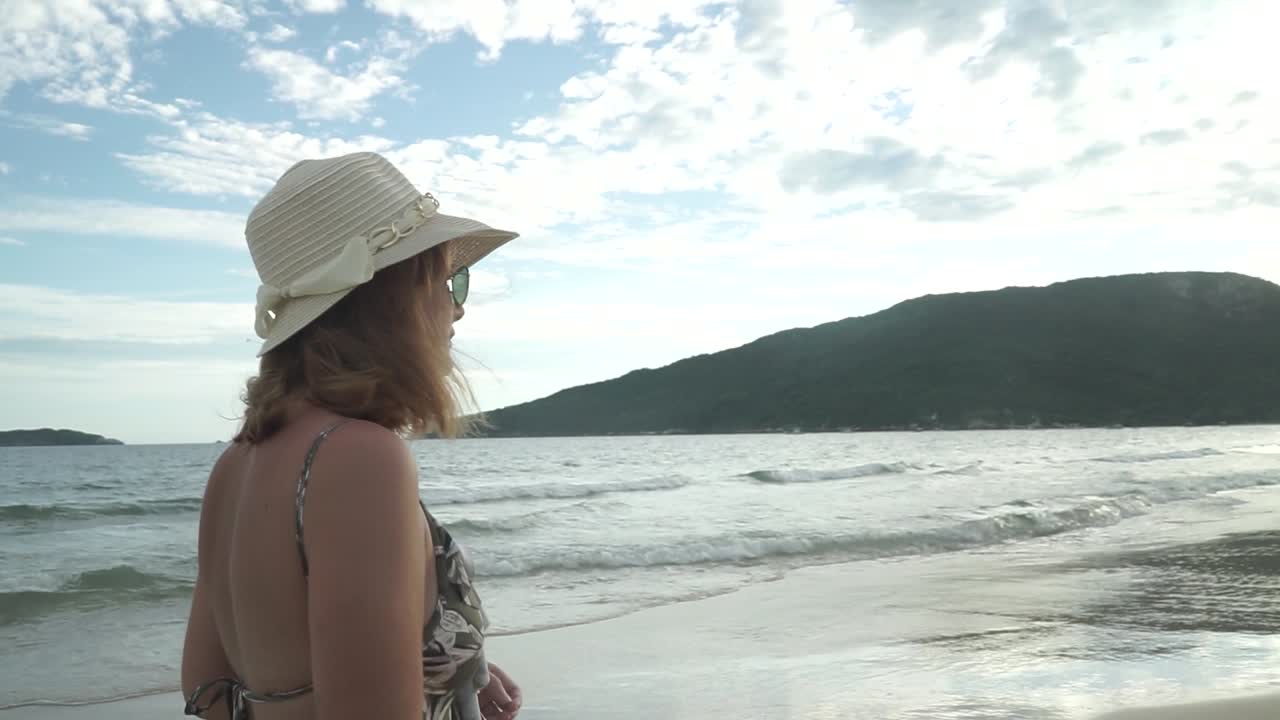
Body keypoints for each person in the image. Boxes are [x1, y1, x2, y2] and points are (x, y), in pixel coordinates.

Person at [180, 152, 523, 720]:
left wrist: (452, 668)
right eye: (447, 280)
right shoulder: (360, 458)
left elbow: (207, 688)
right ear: (394, 297)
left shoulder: (238, 462)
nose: (456, 310)